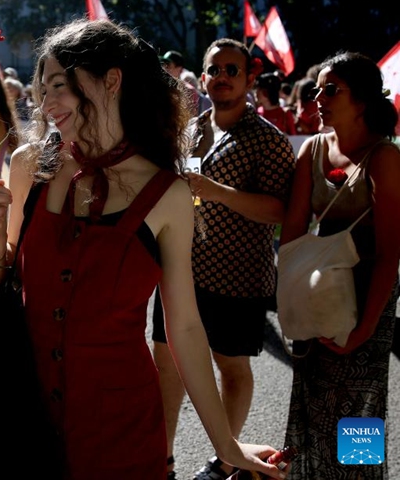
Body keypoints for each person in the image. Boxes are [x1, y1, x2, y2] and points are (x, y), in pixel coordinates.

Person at [0, 19, 286, 480]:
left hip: (121, 425)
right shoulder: (28, 164)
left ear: (111, 80)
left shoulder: (168, 192)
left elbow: (186, 327)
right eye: (41, 88)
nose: (45, 103)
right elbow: (4, 277)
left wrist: (225, 442)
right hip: (22, 413)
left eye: (59, 85)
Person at [151, 38, 296, 480]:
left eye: (232, 70)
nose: (221, 78)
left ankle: (226, 460)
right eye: (214, 70)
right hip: (180, 268)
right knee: (167, 365)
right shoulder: (191, 128)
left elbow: (280, 210)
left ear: (250, 77)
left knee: (230, 367)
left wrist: (218, 193)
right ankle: (164, 459)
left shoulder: (267, 140)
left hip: (236, 275)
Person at [280, 51, 400, 479]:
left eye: (332, 90)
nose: (318, 97)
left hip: (367, 299)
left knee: (359, 412)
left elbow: (389, 253)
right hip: (317, 294)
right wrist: (295, 299)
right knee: (313, 403)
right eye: (317, 89)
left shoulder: (384, 157)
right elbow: (292, 235)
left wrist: (365, 328)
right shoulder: (311, 149)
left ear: (362, 101)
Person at [162, 49, 212, 116]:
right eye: (163, 64)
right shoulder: (163, 88)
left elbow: (191, 119)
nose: (164, 68)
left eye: (168, 65)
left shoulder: (188, 90)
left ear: (179, 68)